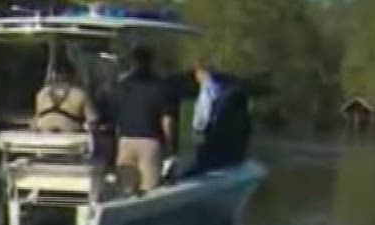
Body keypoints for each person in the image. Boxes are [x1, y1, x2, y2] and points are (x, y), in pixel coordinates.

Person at [106, 44, 174, 192]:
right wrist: (169, 144)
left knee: (125, 188)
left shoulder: (122, 86)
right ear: (151, 61)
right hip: (150, 141)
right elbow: (166, 119)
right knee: (150, 188)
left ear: (133, 62)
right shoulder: (160, 86)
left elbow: (115, 114)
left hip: (126, 140)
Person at [183, 57, 252, 176]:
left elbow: (204, 111)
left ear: (201, 72)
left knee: (203, 162)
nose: (195, 76)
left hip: (208, 131)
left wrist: (198, 130)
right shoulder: (223, 86)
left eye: (196, 73)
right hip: (226, 133)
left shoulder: (207, 88)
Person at [31, 53, 99, 133]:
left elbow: (35, 121)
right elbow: (92, 119)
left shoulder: (42, 93)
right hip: (68, 136)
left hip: (43, 135)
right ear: (73, 76)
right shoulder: (79, 94)